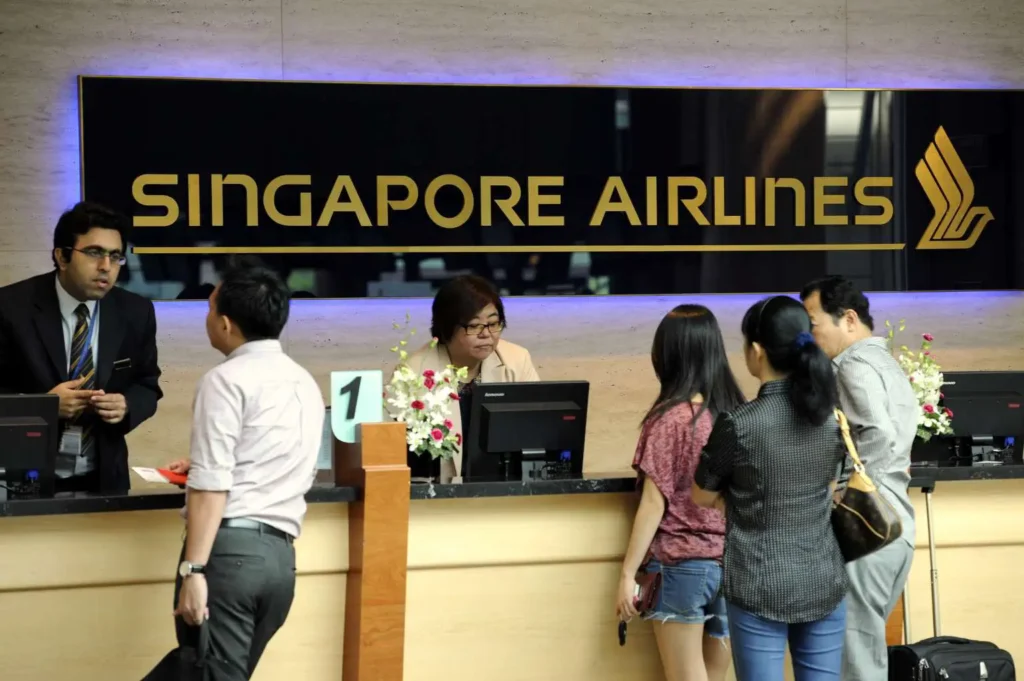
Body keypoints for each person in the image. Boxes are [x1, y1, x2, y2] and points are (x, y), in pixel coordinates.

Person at [166, 262, 324, 680]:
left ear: (224, 323)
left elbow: (212, 484)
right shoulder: (304, 381)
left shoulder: (225, 379)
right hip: (279, 562)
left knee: (208, 671)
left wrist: (194, 570)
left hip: (229, 557)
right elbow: (279, 459)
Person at [692, 295, 850, 681]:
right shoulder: (831, 419)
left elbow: (701, 494)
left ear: (757, 351)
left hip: (759, 584)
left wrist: (746, 500)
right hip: (823, 578)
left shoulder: (739, 423)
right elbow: (837, 487)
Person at [616, 304, 745, 681]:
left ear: (667, 356)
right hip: (734, 565)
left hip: (681, 567)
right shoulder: (735, 414)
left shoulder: (669, 419)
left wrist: (627, 574)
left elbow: (654, 503)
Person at [0, 201, 162, 494]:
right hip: (23, 481)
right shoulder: (11, 308)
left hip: (103, 481)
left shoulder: (136, 312)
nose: (106, 267)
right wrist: (43, 407)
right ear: (61, 256)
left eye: (115, 256)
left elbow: (147, 385)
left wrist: (126, 405)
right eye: (94, 253)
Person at [801, 276, 917, 681]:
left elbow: (879, 434)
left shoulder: (851, 366)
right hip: (895, 523)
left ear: (848, 319)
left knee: (856, 659)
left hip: (867, 524)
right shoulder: (886, 363)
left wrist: (847, 497)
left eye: (814, 323)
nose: (809, 335)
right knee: (863, 651)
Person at [398, 274, 539, 481]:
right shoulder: (413, 372)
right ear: (447, 329)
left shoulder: (516, 360)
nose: (486, 334)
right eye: (474, 326)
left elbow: (537, 429)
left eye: (493, 323)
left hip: (505, 488)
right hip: (440, 495)